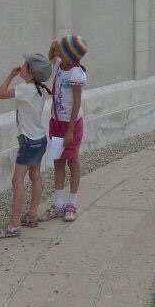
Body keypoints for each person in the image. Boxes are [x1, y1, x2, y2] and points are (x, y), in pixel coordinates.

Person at [0, 53, 53, 238]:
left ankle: (14, 225)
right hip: (40, 139)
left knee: (17, 180)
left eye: (25, 65)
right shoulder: (40, 90)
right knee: (35, 176)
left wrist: (11, 76)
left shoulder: (25, 89)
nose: (21, 66)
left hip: (28, 142)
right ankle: (32, 215)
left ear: (31, 72)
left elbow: (0, 94)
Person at [39, 35, 88, 223]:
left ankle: (72, 204)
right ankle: (58, 204)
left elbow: (76, 103)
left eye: (61, 48)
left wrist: (70, 130)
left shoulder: (76, 74)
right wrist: (53, 47)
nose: (57, 51)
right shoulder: (60, 64)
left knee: (72, 161)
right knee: (58, 161)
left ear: (68, 54)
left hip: (71, 124)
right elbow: (51, 57)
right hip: (56, 122)